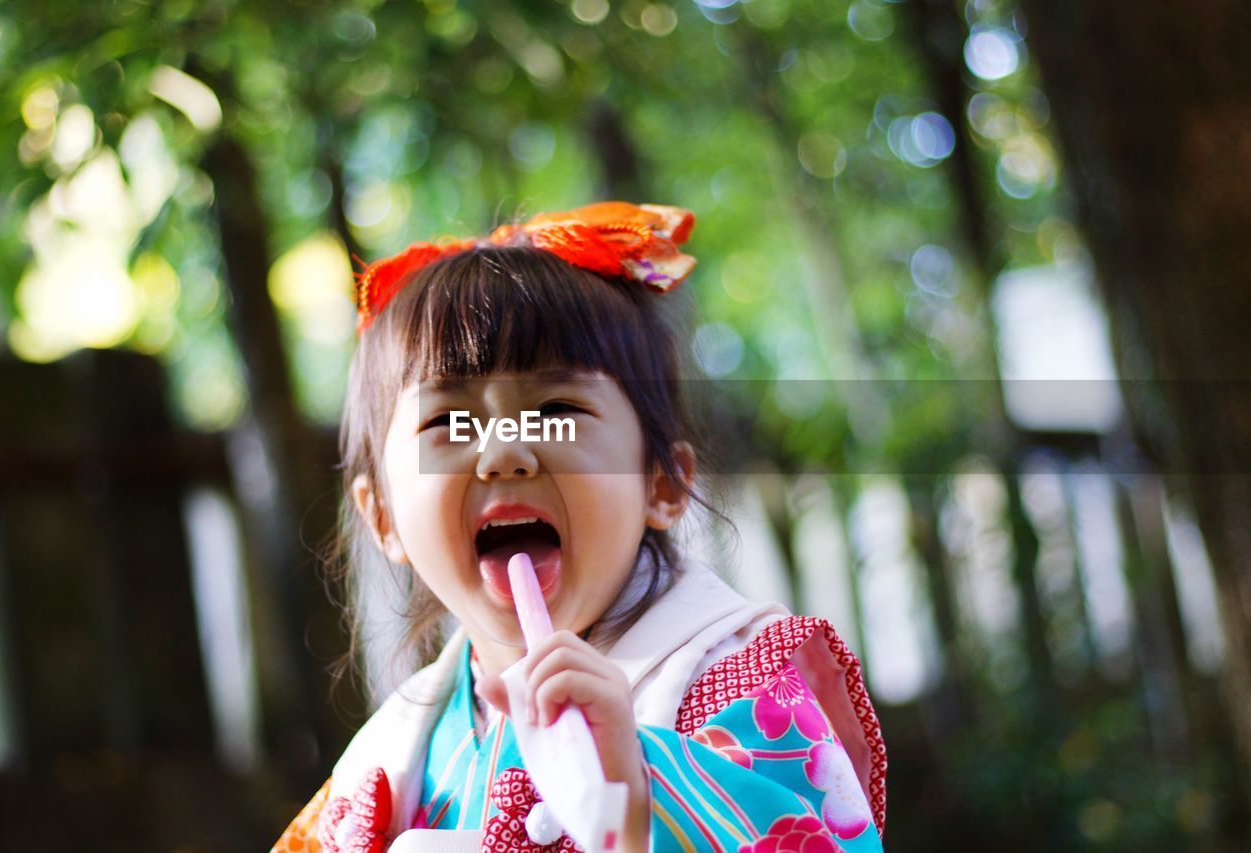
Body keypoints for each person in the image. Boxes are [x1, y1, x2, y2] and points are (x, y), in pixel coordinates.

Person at [271, 202, 887, 853]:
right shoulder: (385, 761)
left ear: (663, 482)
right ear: (383, 516)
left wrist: (639, 801)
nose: (505, 450)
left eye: (558, 410)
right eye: (449, 423)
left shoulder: (738, 687)